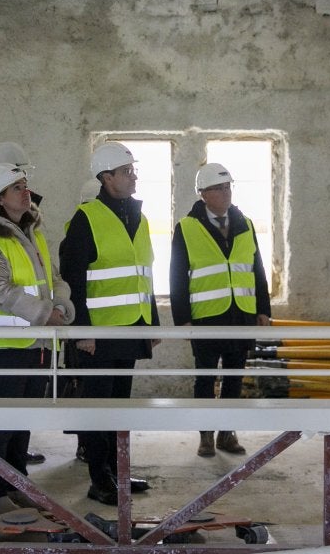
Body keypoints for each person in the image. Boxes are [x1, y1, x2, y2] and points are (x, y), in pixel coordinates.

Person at [0, 164, 74, 513]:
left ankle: (17, 482)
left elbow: (52, 278)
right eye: (17, 188)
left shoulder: (30, 232)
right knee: (3, 421)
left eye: (25, 186)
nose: (26, 192)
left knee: (22, 420)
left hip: (35, 339)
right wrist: (45, 313)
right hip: (2, 342)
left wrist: (62, 303)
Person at [59, 142, 157, 505]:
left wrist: (152, 323)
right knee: (98, 409)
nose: (134, 177)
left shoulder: (139, 216)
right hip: (97, 335)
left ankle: (118, 473)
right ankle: (100, 479)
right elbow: (73, 280)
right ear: (106, 177)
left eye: (134, 170)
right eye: (126, 171)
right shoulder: (87, 218)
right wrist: (81, 333)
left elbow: (144, 274)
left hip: (131, 328)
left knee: (120, 406)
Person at [169, 162, 272, 458]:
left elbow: (257, 270)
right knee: (204, 377)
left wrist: (263, 310)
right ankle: (205, 435)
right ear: (203, 194)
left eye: (228, 188)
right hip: (206, 317)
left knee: (234, 376)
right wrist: (183, 320)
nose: (226, 194)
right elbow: (177, 275)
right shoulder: (187, 228)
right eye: (218, 189)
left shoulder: (245, 223)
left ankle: (227, 432)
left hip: (241, 314)